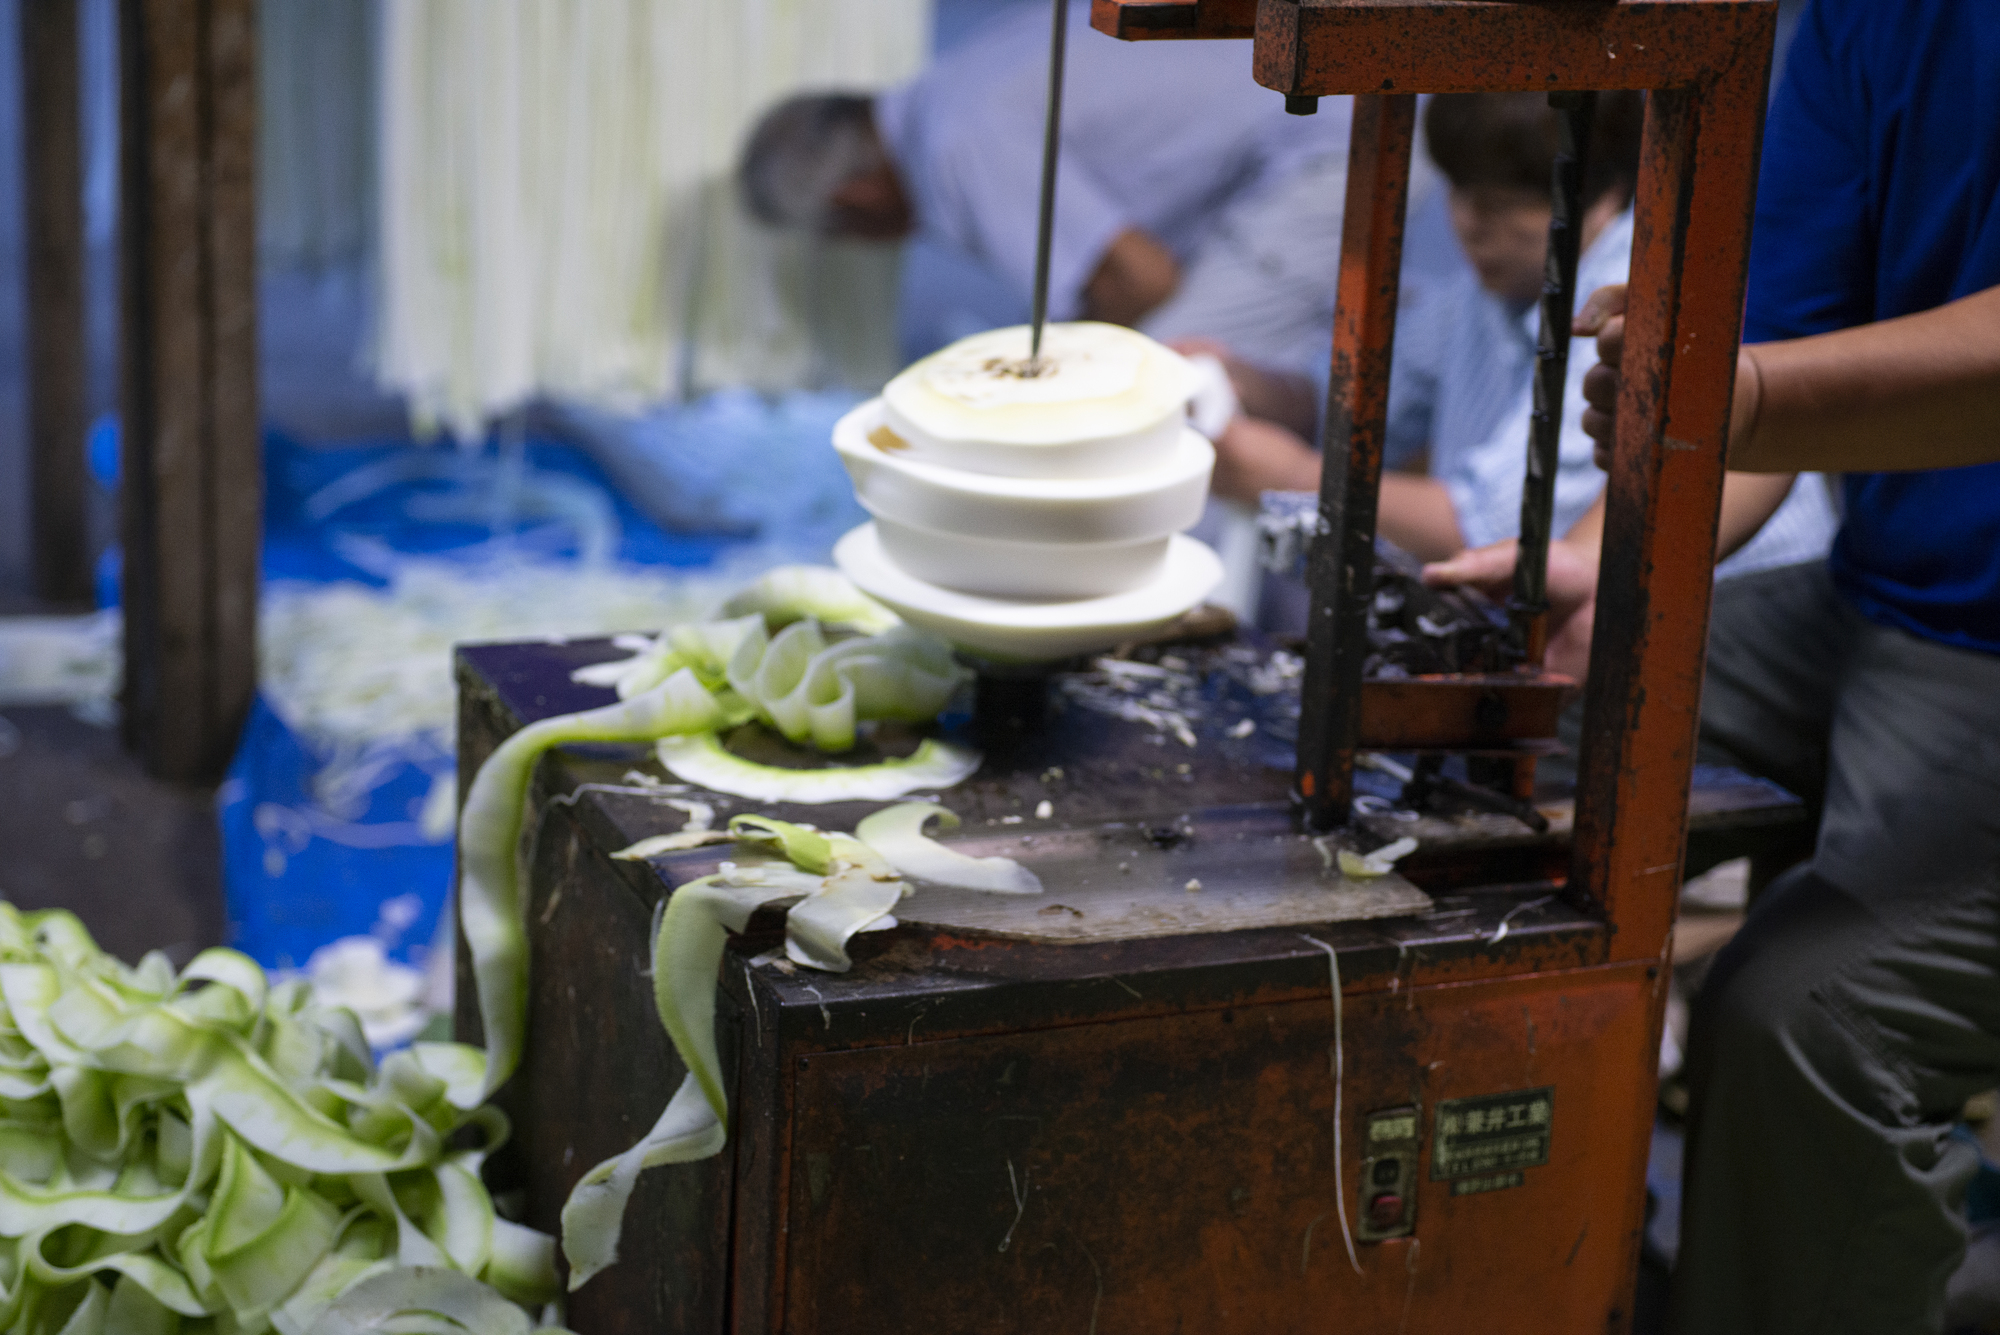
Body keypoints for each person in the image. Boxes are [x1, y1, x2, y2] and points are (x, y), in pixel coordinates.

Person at [1428, 1, 2000, 1328]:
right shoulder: (1873, 21)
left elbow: (1760, 390)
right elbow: (1772, 346)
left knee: (1806, 1018)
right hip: (1887, 598)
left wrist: (1732, 395)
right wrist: (1596, 556)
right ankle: (1532, 1262)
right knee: (1487, 750)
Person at [1201, 92, 1833, 616]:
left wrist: (1285, 478)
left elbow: (1491, 534)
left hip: (1737, 611)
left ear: (1602, 194)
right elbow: (1349, 407)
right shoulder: (1485, 294)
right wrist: (1236, 380)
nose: (1471, 226)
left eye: (1503, 206)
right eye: (1460, 194)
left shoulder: (1627, 303)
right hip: (1585, 601)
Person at [737, 3, 1354, 370]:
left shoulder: (953, 144)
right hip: (1317, 105)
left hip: (1327, 138)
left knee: (1165, 384)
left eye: (841, 235)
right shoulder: (953, 90)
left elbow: (1141, 281)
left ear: (854, 200)